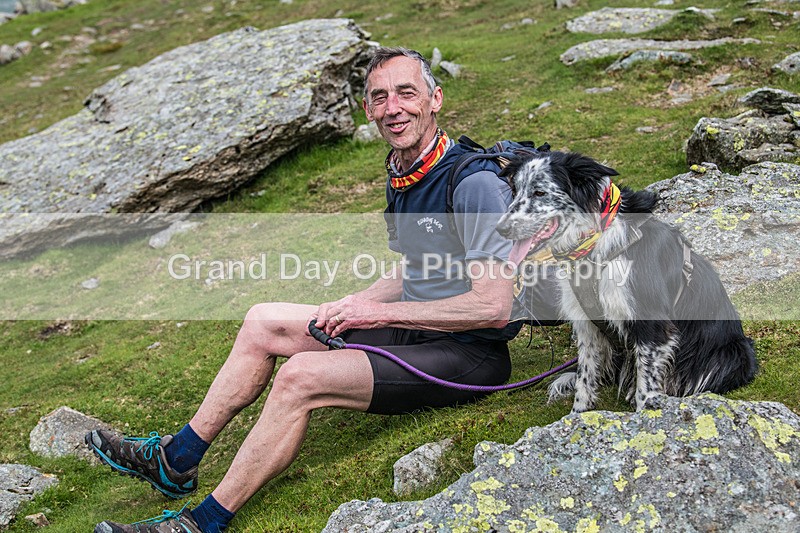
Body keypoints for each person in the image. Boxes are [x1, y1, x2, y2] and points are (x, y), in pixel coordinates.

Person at [88, 47, 524, 533]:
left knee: (300, 378)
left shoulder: (474, 184)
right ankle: (176, 459)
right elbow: (416, 269)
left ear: (435, 99)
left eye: (407, 93)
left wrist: (377, 316)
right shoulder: (403, 174)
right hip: (413, 328)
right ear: (368, 110)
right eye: (380, 97)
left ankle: (199, 524)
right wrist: (357, 302)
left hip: (470, 355)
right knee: (262, 321)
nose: (393, 107)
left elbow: (493, 305)